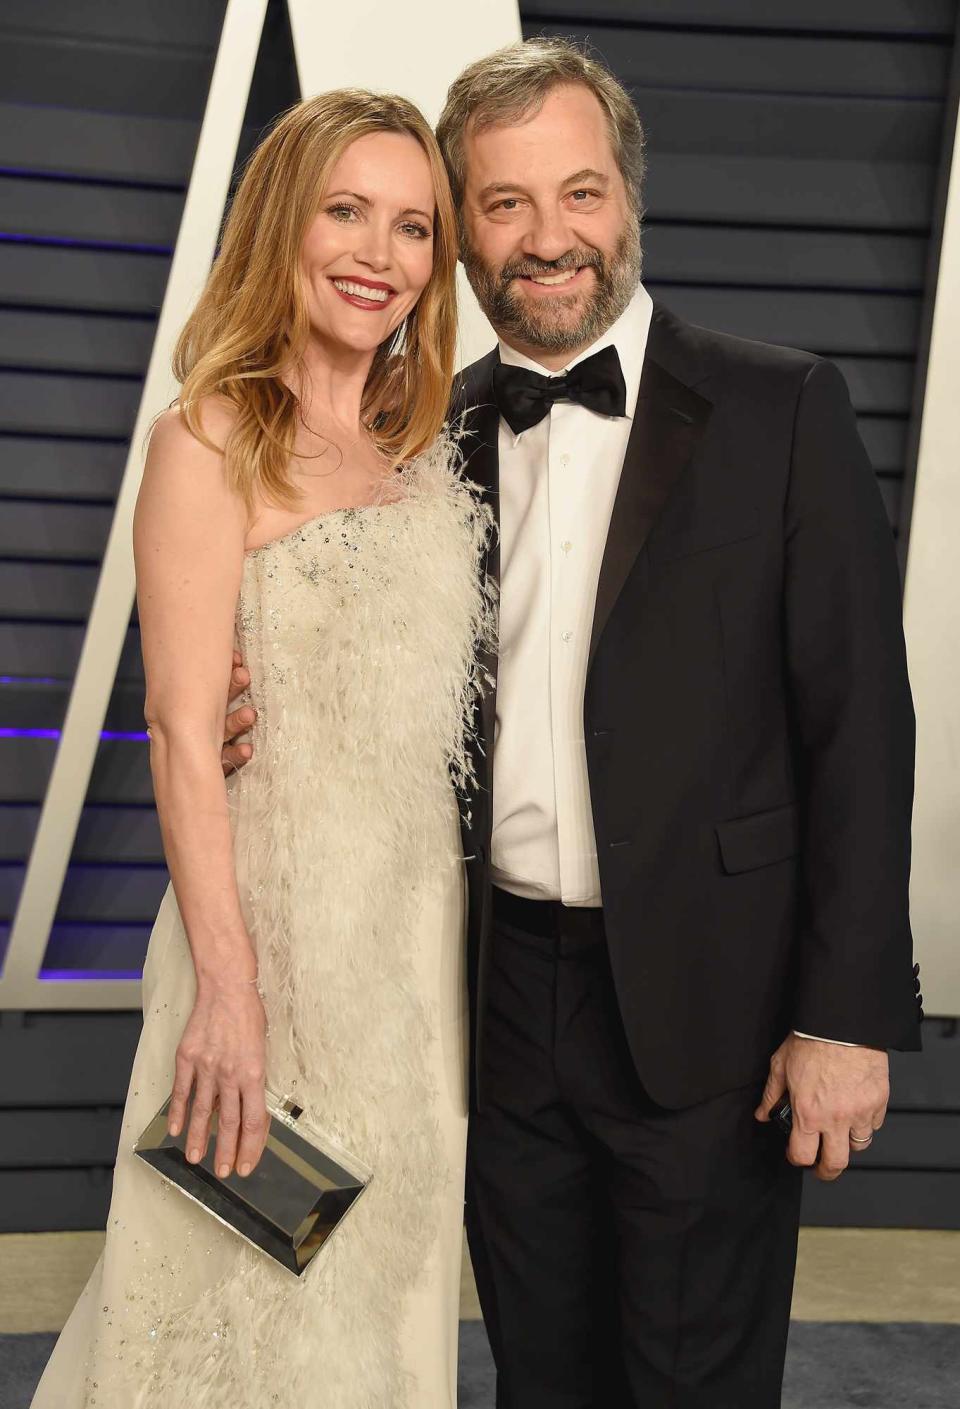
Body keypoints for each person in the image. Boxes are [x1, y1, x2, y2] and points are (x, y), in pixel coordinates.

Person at [434, 39, 923, 1408]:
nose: (549, 240)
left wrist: (844, 1014)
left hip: (717, 1010)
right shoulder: (439, 433)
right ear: (465, 230)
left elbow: (859, 729)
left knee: (694, 1383)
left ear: (631, 200)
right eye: (506, 203)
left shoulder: (783, 406)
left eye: (579, 193)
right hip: (499, 1000)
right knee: (543, 1375)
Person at [30, 89, 492, 1409]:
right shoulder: (207, 439)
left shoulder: (420, 456)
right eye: (346, 210)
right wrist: (229, 992)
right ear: (284, 222)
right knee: (236, 1306)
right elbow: (182, 734)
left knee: (375, 1305)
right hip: (265, 958)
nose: (379, 252)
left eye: (412, 226)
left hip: (407, 972)